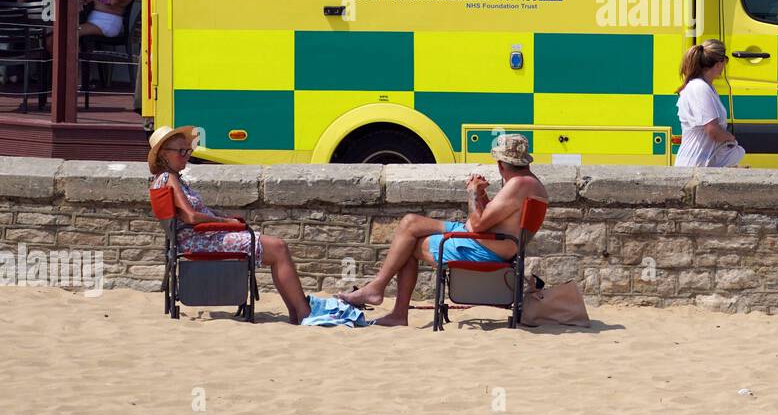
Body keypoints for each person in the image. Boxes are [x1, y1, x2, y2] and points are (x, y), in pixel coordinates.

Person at [340, 133, 548, 326]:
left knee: (410, 245)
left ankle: (394, 308)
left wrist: (472, 193)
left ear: (501, 164)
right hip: (485, 238)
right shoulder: (531, 183)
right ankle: (379, 290)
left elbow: (477, 223)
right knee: (410, 222)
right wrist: (483, 196)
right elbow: (492, 219)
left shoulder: (518, 185)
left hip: (483, 247)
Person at [148, 125, 312, 323]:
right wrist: (224, 221)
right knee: (278, 247)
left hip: (199, 238)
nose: (186, 155)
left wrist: (222, 217)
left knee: (277, 247)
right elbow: (191, 217)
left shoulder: (168, 179)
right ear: (164, 154)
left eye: (188, 150)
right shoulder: (169, 178)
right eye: (181, 151)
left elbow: (192, 213)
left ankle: (297, 312)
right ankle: (302, 312)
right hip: (199, 241)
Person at [674, 39, 745, 168]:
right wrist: (730, 138)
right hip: (695, 166)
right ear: (719, 63)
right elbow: (712, 130)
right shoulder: (700, 88)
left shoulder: (706, 87)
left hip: (701, 163)